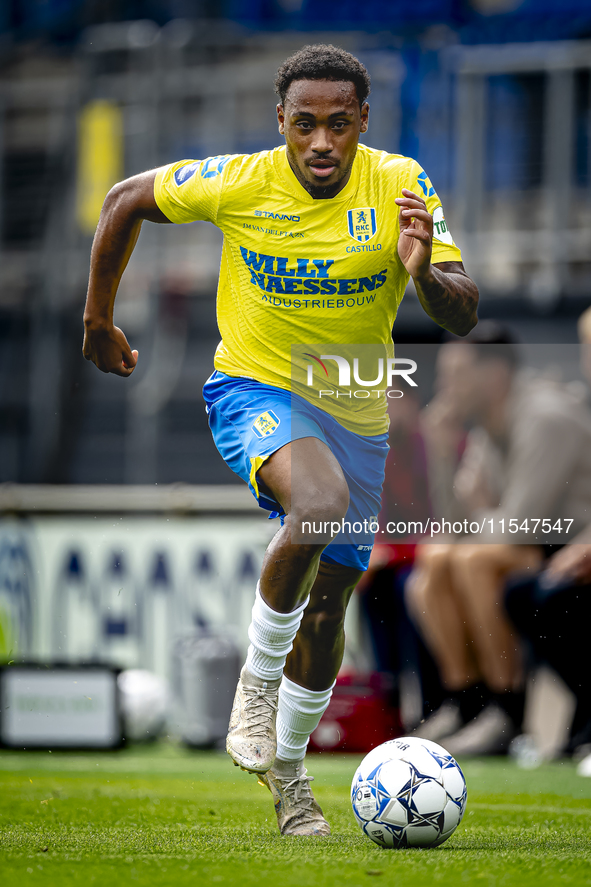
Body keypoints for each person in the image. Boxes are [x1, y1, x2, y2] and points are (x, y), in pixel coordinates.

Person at [82, 44, 478, 835]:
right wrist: (96, 320)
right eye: (305, 125)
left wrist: (424, 272)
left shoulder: (402, 183)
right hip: (255, 387)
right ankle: (254, 689)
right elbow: (124, 197)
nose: (322, 142)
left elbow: (463, 312)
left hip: (356, 413)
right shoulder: (241, 180)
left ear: (363, 120)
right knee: (317, 501)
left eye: (338, 125)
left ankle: (290, 778)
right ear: (281, 124)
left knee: (329, 605)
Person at [406, 324, 591, 755]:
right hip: (527, 542)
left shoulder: (544, 417)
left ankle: (507, 712)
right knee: (431, 564)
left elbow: (517, 526)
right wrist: (441, 452)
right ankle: (466, 703)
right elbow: (455, 521)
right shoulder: (487, 426)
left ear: (494, 375)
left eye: (456, 374)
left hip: (567, 545)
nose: (444, 386)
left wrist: (483, 512)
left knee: (473, 561)